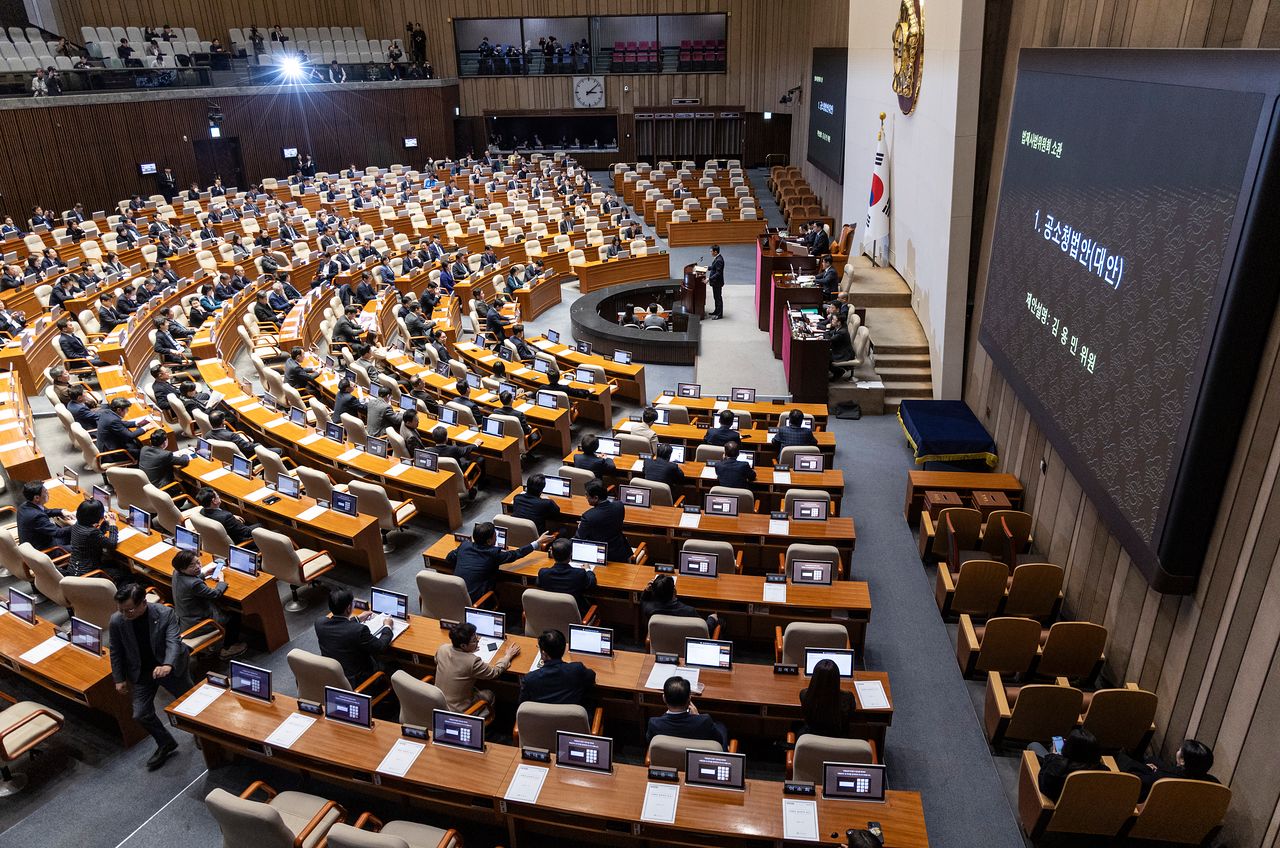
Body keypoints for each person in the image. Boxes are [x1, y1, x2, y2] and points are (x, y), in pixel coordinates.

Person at [108, 584, 192, 770]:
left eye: (129, 610)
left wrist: (167, 665)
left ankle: (203, 735)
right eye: (120, 609)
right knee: (140, 714)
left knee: (191, 704)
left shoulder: (164, 614)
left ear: (143, 603)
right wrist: (119, 678)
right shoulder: (117, 621)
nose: (124, 614)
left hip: (169, 667)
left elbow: (173, 642)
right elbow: (115, 651)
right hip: (141, 671)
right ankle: (165, 742)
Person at [171, 549, 246, 661]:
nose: (197, 566)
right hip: (199, 623)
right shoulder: (194, 584)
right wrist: (221, 580)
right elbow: (215, 594)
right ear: (183, 569)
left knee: (224, 606)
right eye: (192, 566)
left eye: (197, 562)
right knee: (234, 615)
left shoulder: (176, 573)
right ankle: (228, 648)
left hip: (185, 620)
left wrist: (204, 574)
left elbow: (189, 581)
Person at [451, 521, 553, 601]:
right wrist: (537, 542)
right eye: (495, 536)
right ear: (489, 541)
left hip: (456, 595)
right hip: (476, 598)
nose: (496, 538)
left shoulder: (465, 545)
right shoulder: (493, 553)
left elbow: (449, 558)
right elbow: (517, 554)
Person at [434, 621, 520, 713]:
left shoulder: (442, 649)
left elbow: (436, 661)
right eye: (474, 640)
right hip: (458, 711)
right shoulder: (473, 661)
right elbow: (494, 672)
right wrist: (507, 656)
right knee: (489, 694)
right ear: (463, 645)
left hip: (437, 703)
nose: (478, 641)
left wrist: (466, 653)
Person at [315, 588, 394, 687]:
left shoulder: (319, 624)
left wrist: (357, 618)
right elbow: (380, 646)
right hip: (358, 681)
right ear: (349, 608)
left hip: (335, 676)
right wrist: (388, 626)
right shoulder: (359, 630)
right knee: (394, 665)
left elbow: (340, 626)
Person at [1116, 739, 1218, 800]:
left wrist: (1150, 770)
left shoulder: (1161, 780)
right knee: (1153, 759)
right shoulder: (1214, 786)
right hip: (1186, 826)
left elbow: (1133, 783)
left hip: (1147, 817)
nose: (1177, 751)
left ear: (1182, 761)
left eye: (1179, 750)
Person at [646, 675, 729, 748]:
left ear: (664, 698)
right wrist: (698, 717)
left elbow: (650, 741)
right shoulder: (704, 721)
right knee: (721, 726)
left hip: (668, 761)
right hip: (697, 760)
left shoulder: (654, 723)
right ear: (689, 698)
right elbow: (719, 741)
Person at [519, 629, 596, 707]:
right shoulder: (576, 670)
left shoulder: (529, 679)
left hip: (540, 718)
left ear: (544, 653)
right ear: (564, 649)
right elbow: (592, 676)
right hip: (570, 718)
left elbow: (523, 705)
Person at [1028, 728, 1104, 801]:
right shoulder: (1103, 771)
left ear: (1069, 749)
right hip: (1082, 807)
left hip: (1054, 804)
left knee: (1034, 745)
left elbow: (1043, 785)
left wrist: (1054, 757)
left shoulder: (1057, 769)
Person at [797, 658, 856, 738]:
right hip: (838, 742)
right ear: (837, 677)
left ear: (814, 677)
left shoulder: (804, 695)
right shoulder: (848, 698)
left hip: (811, 741)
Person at [576, 480, 631, 563]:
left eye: (587, 495)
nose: (586, 497)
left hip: (600, 556)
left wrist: (582, 527)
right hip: (621, 553)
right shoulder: (619, 505)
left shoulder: (588, 517)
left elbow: (579, 538)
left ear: (596, 498)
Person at [536, 537, 598, 612]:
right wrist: (588, 570)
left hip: (551, 611)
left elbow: (538, 583)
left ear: (552, 554)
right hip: (575, 613)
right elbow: (591, 583)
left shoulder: (543, 573)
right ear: (570, 555)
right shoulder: (579, 574)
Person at [195, 487, 259, 546]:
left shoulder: (202, 511)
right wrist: (263, 526)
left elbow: (219, 515)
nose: (219, 496)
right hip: (241, 542)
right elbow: (246, 532)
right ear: (214, 501)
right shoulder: (226, 517)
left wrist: (232, 517)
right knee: (262, 526)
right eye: (217, 495)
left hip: (219, 541)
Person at [17, 481, 72, 549]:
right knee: (82, 547)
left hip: (36, 542)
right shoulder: (36, 517)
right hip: (46, 551)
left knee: (71, 534)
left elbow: (44, 511)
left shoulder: (24, 506)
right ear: (37, 498)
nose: (48, 493)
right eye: (45, 492)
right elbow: (58, 533)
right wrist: (78, 524)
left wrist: (61, 511)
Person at [707, 244, 725, 319]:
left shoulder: (719, 260)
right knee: (716, 297)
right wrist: (708, 268)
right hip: (715, 283)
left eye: (711, 251)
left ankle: (719, 314)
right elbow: (714, 267)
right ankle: (716, 311)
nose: (710, 253)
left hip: (717, 283)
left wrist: (709, 278)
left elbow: (718, 273)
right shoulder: (717, 258)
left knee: (718, 298)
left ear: (715, 251)